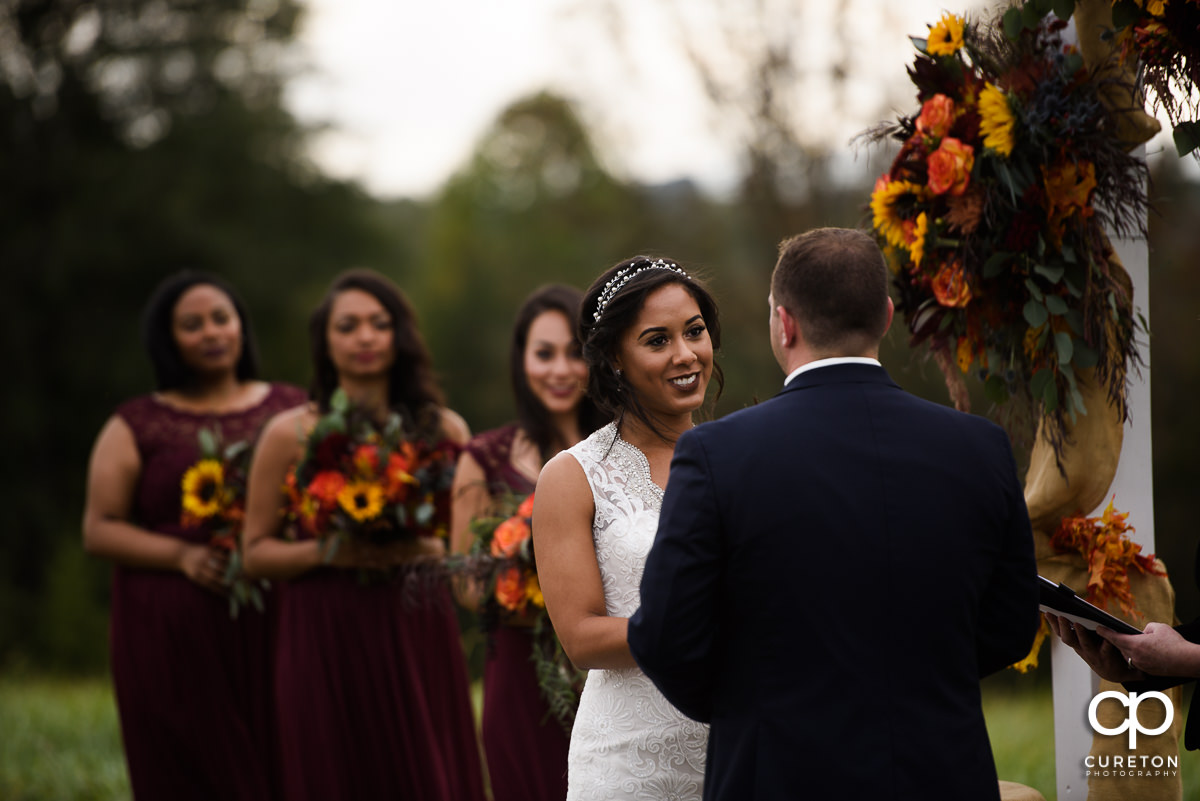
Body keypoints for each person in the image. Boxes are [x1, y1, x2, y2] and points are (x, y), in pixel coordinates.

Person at [627, 227, 1040, 801]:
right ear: (887, 315)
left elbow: (666, 636)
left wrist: (748, 705)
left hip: (779, 774)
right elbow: (1012, 625)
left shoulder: (718, 454)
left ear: (784, 323)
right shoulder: (979, 447)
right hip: (942, 772)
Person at [241, 269, 486, 801]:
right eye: (348, 326)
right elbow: (255, 553)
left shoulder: (446, 431)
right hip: (324, 630)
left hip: (415, 623)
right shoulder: (288, 434)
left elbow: (464, 551)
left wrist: (419, 548)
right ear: (325, 342)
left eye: (379, 323)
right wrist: (336, 552)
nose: (366, 337)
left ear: (400, 335)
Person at [82, 270, 306, 801]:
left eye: (221, 318)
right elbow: (98, 529)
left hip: (273, 616)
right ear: (168, 338)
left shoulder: (290, 410)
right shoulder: (136, 423)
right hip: (168, 628)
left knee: (285, 757)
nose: (210, 332)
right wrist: (182, 556)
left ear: (240, 328)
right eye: (192, 324)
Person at [533, 256, 722, 801]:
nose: (686, 355)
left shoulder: (741, 458)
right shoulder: (573, 476)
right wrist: (709, 625)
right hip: (628, 765)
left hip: (738, 750)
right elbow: (581, 639)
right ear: (615, 358)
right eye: (657, 340)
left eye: (694, 331)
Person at [449, 283, 607, 801]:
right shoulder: (484, 458)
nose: (559, 370)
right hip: (522, 675)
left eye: (574, 353)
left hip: (612, 672)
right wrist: (533, 589)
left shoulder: (625, 449)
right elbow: (464, 581)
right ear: (522, 361)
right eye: (544, 354)